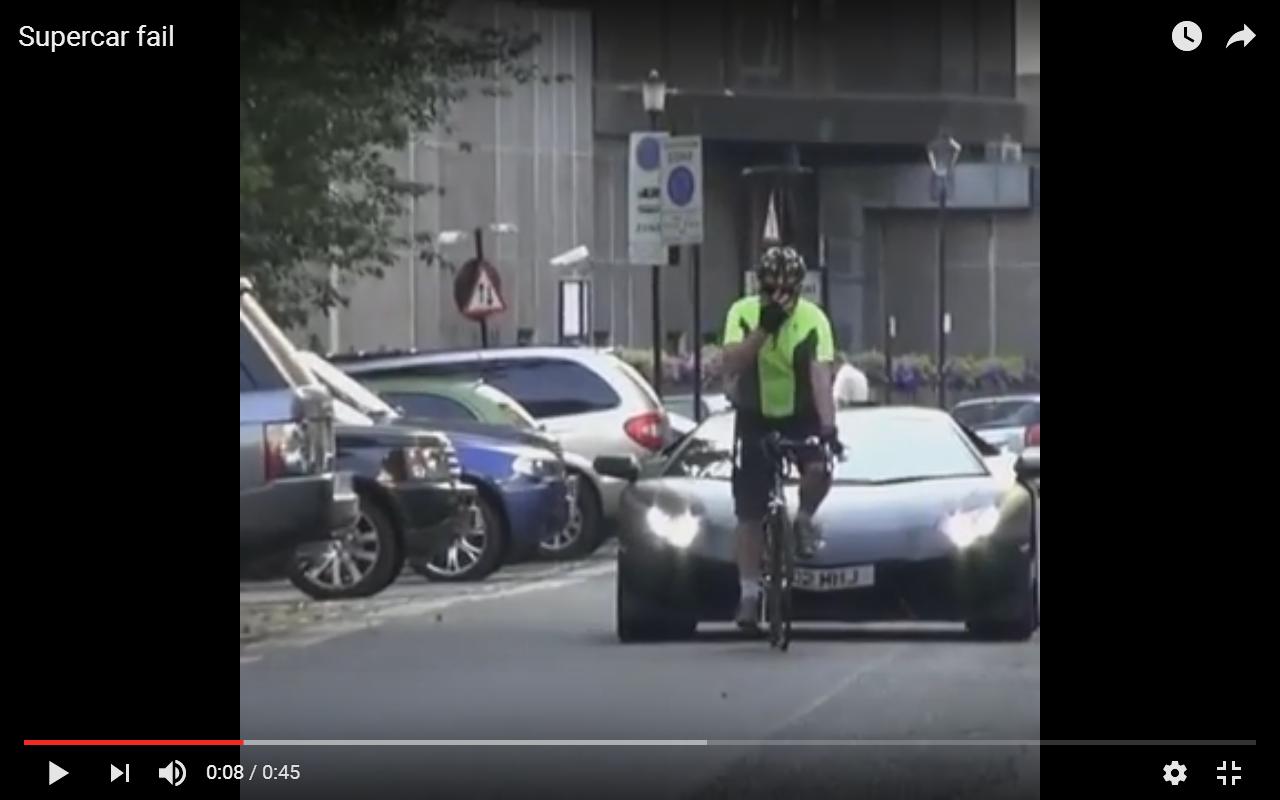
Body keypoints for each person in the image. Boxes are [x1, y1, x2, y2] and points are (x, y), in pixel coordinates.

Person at [720, 244, 842, 630]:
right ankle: (749, 595)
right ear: (761, 287)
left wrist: (829, 428)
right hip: (755, 415)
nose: (780, 298)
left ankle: (804, 518)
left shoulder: (813, 319)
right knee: (750, 510)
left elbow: (821, 377)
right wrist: (765, 328)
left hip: (801, 414)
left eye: (788, 291)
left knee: (820, 468)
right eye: (772, 290)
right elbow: (732, 362)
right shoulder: (742, 312)